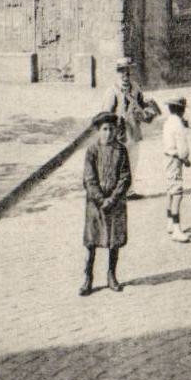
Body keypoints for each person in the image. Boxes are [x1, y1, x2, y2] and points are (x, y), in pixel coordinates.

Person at [80, 110, 131, 296]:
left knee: (113, 240)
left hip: (115, 204)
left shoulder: (121, 150)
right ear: (98, 131)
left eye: (111, 129)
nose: (108, 133)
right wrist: (101, 200)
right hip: (95, 205)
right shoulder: (92, 151)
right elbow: (89, 179)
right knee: (91, 241)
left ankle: (111, 275)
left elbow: (125, 178)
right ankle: (88, 277)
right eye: (104, 129)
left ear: (116, 130)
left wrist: (113, 199)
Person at [96, 57, 160, 192]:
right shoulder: (112, 91)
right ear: (117, 72)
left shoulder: (135, 87)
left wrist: (148, 109)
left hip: (134, 132)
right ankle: (116, 191)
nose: (125, 75)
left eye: (128, 71)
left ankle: (129, 190)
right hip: (119, 135)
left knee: (133, 161)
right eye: (122, 71)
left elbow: (142, 104)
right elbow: (105, 116)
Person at [162, 96, 191, 243]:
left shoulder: (167, 122)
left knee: (170, 191)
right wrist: (185, 159)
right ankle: (176, 228)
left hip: (167, 157)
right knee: (178, 193)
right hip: (175, 159)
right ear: (182, 110)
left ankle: (169, 222)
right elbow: (182, 147)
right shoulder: (178, 124)